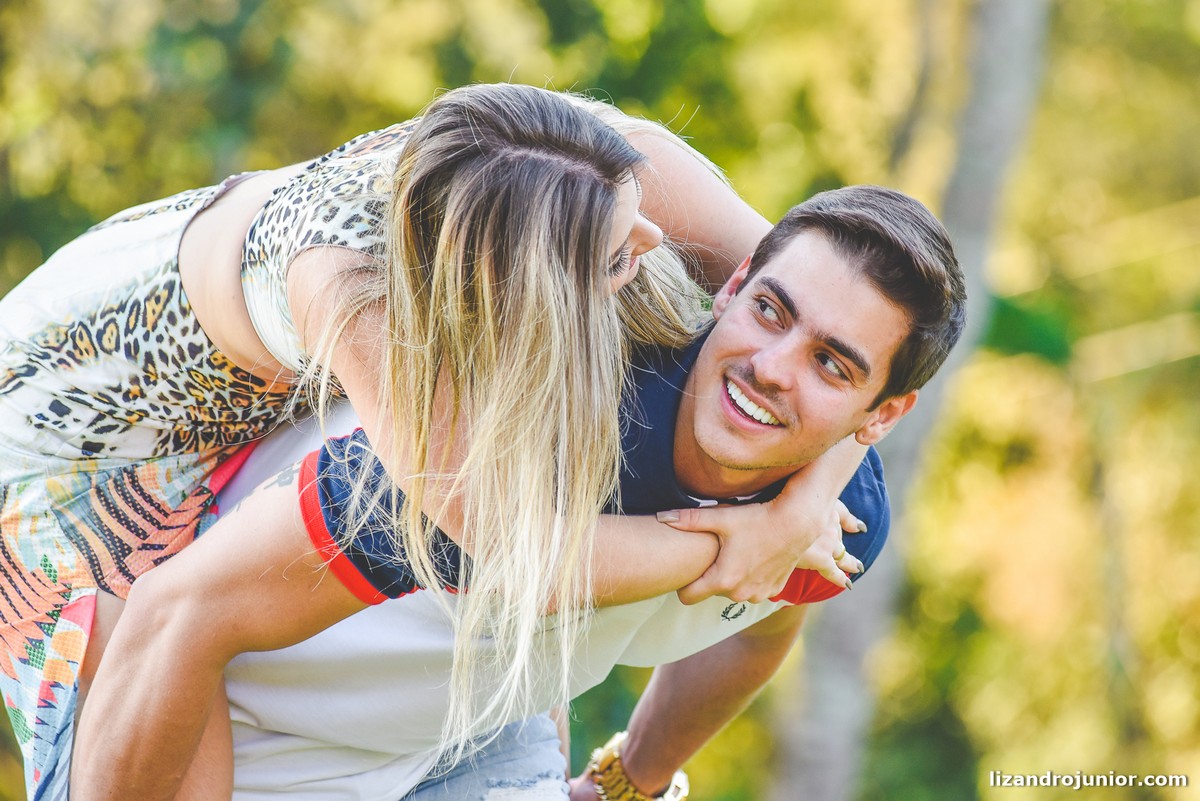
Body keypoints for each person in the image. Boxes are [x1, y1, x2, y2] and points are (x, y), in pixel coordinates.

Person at [0, 83, 861, 801]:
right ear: (522, 282)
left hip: (229, 403)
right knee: (165, 680)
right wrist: (740, 542)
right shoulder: (352, 299)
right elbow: (509, 545)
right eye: (613, 259)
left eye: (639, 210)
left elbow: (868, 327)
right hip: (74, 459)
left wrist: (809, 501)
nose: (656, 241)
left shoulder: (590, 161)